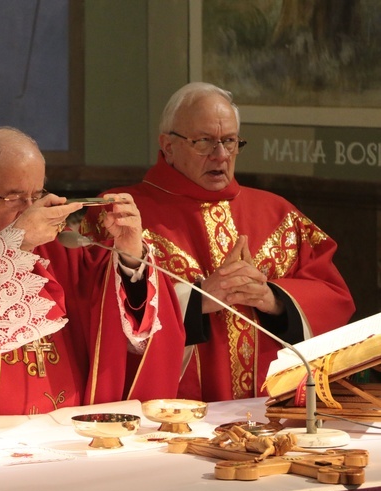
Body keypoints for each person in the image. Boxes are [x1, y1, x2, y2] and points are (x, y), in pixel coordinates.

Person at [0, 126, 186, 436]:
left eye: (37, 196)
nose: (30, 212)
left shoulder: (57, 251)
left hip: (67, 437)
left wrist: (130, 253)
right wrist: (15, 245)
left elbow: (106, 305)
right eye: (14, 198)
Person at [82, 82, 355, 402]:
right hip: (171, 414)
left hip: (271, 411)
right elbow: (94, 311)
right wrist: (197, 300)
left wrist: (274, 300)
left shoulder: (279, 213)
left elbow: (333, 298)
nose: (221, 155)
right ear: (167, 145)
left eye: (229, 141)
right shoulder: (121, 213)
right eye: (204, 142)